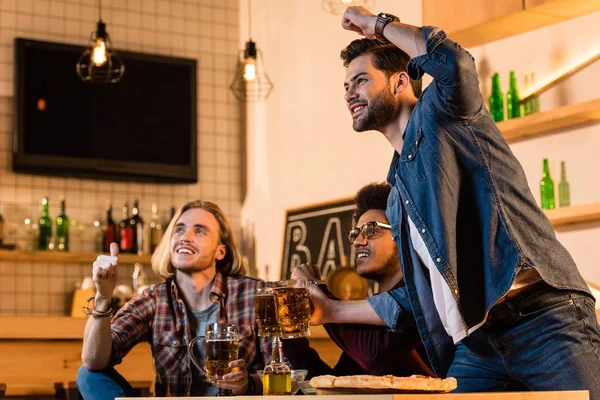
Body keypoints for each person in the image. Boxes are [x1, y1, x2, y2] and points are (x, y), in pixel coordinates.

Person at [309, 5, 600, 397]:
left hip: (544, 319)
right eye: (346, 86)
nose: (350, 94)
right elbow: (414, 299)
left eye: (360, 80)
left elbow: (455, 63)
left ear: (400, 82)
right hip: (478, 344)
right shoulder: (397, 197)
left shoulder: (442, 113)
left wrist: (377, 25)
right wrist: (329, 309)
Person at [77, 200, 271, 398]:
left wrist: (249, 384)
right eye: (179, 230)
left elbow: (291, 375)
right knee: (88, 375)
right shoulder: (154, 300)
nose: (185, 237)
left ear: (220, 251)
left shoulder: (255, 294)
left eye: (199, 231)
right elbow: (94, 361)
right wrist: (103, 296)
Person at [285, 182, 434, 378]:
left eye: (371, 230)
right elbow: (342, 381)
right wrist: (288, 335)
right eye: (355, 233)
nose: (357, 241)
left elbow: (373, 355)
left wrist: (317, 290)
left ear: (402, 233)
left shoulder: (424, 294)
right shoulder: (371, 309)